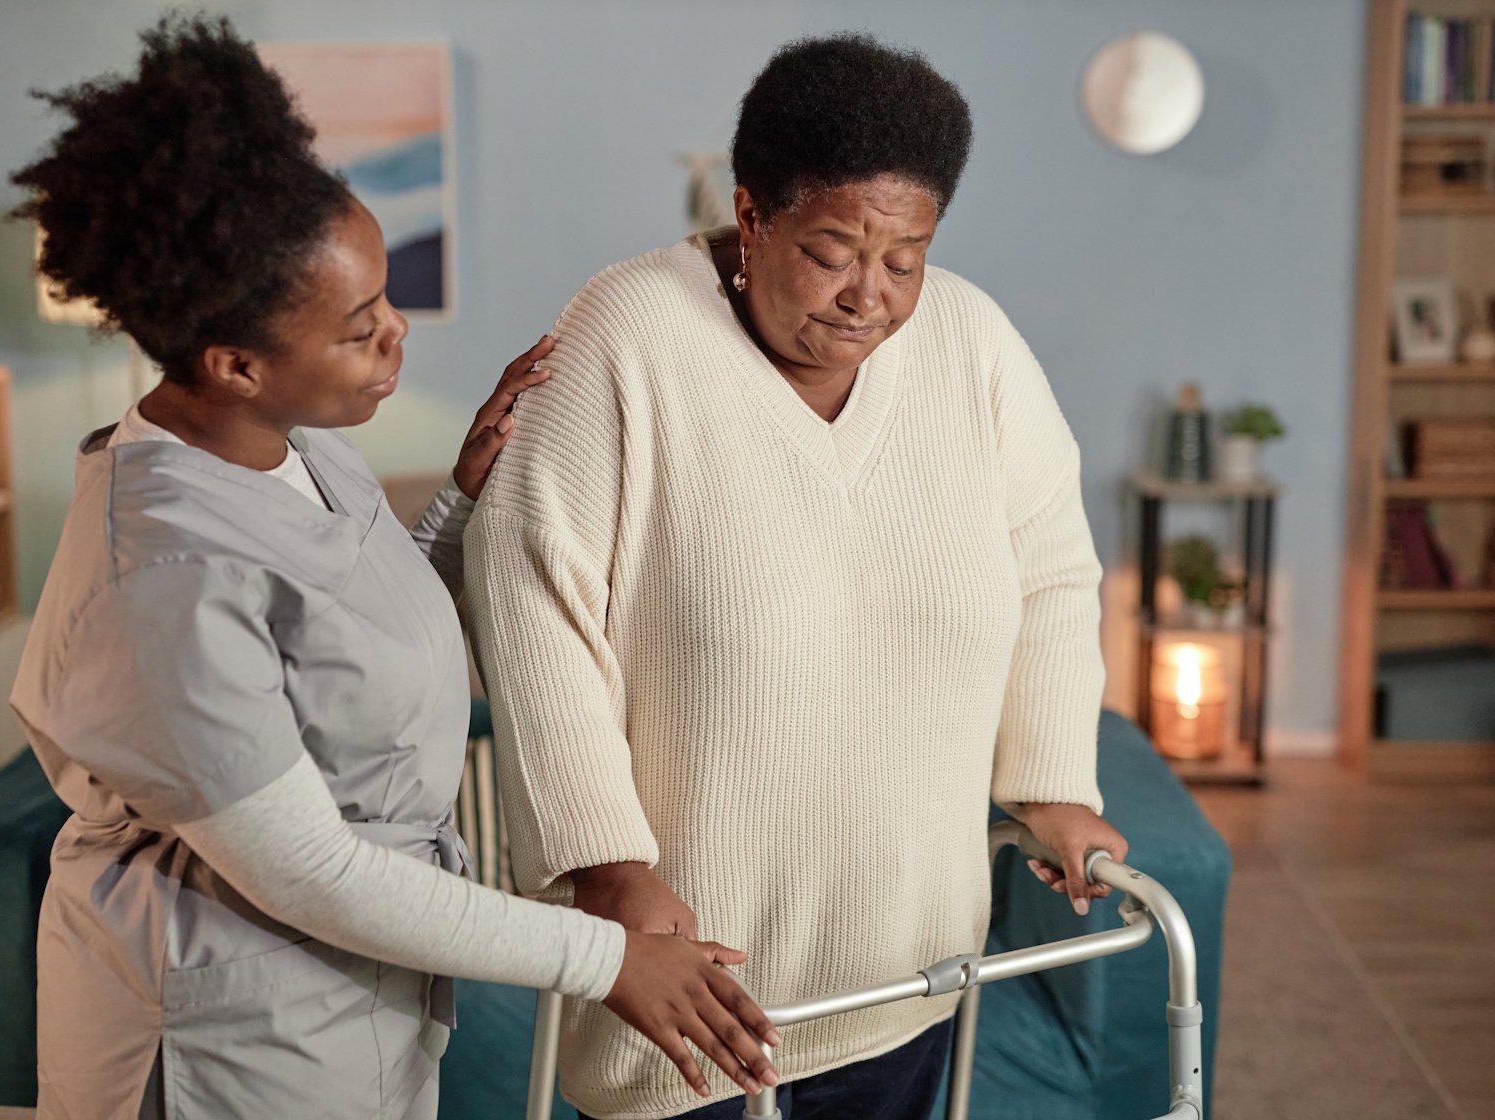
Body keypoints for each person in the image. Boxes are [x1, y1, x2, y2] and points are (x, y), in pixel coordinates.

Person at [6, 16, 778, 1120]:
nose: (398, 334)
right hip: (228, 1048)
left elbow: (337, 639)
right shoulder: (161, 576)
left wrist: (463, 497)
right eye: (361, 327)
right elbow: (313, 871)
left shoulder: (292, 445)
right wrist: (602, 957)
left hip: (349, 1001)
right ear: (235, 362)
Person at [464, 33, 1129, 1120]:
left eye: (904, 258)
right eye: (832, 251)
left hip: (908, 963)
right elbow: (532, 597)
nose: (869, 296)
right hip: (692, 987)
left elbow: (1052, 568)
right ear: (753, 213)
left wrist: (1054, 784)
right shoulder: (624, 333)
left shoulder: (974, 344)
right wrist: (604, 863)